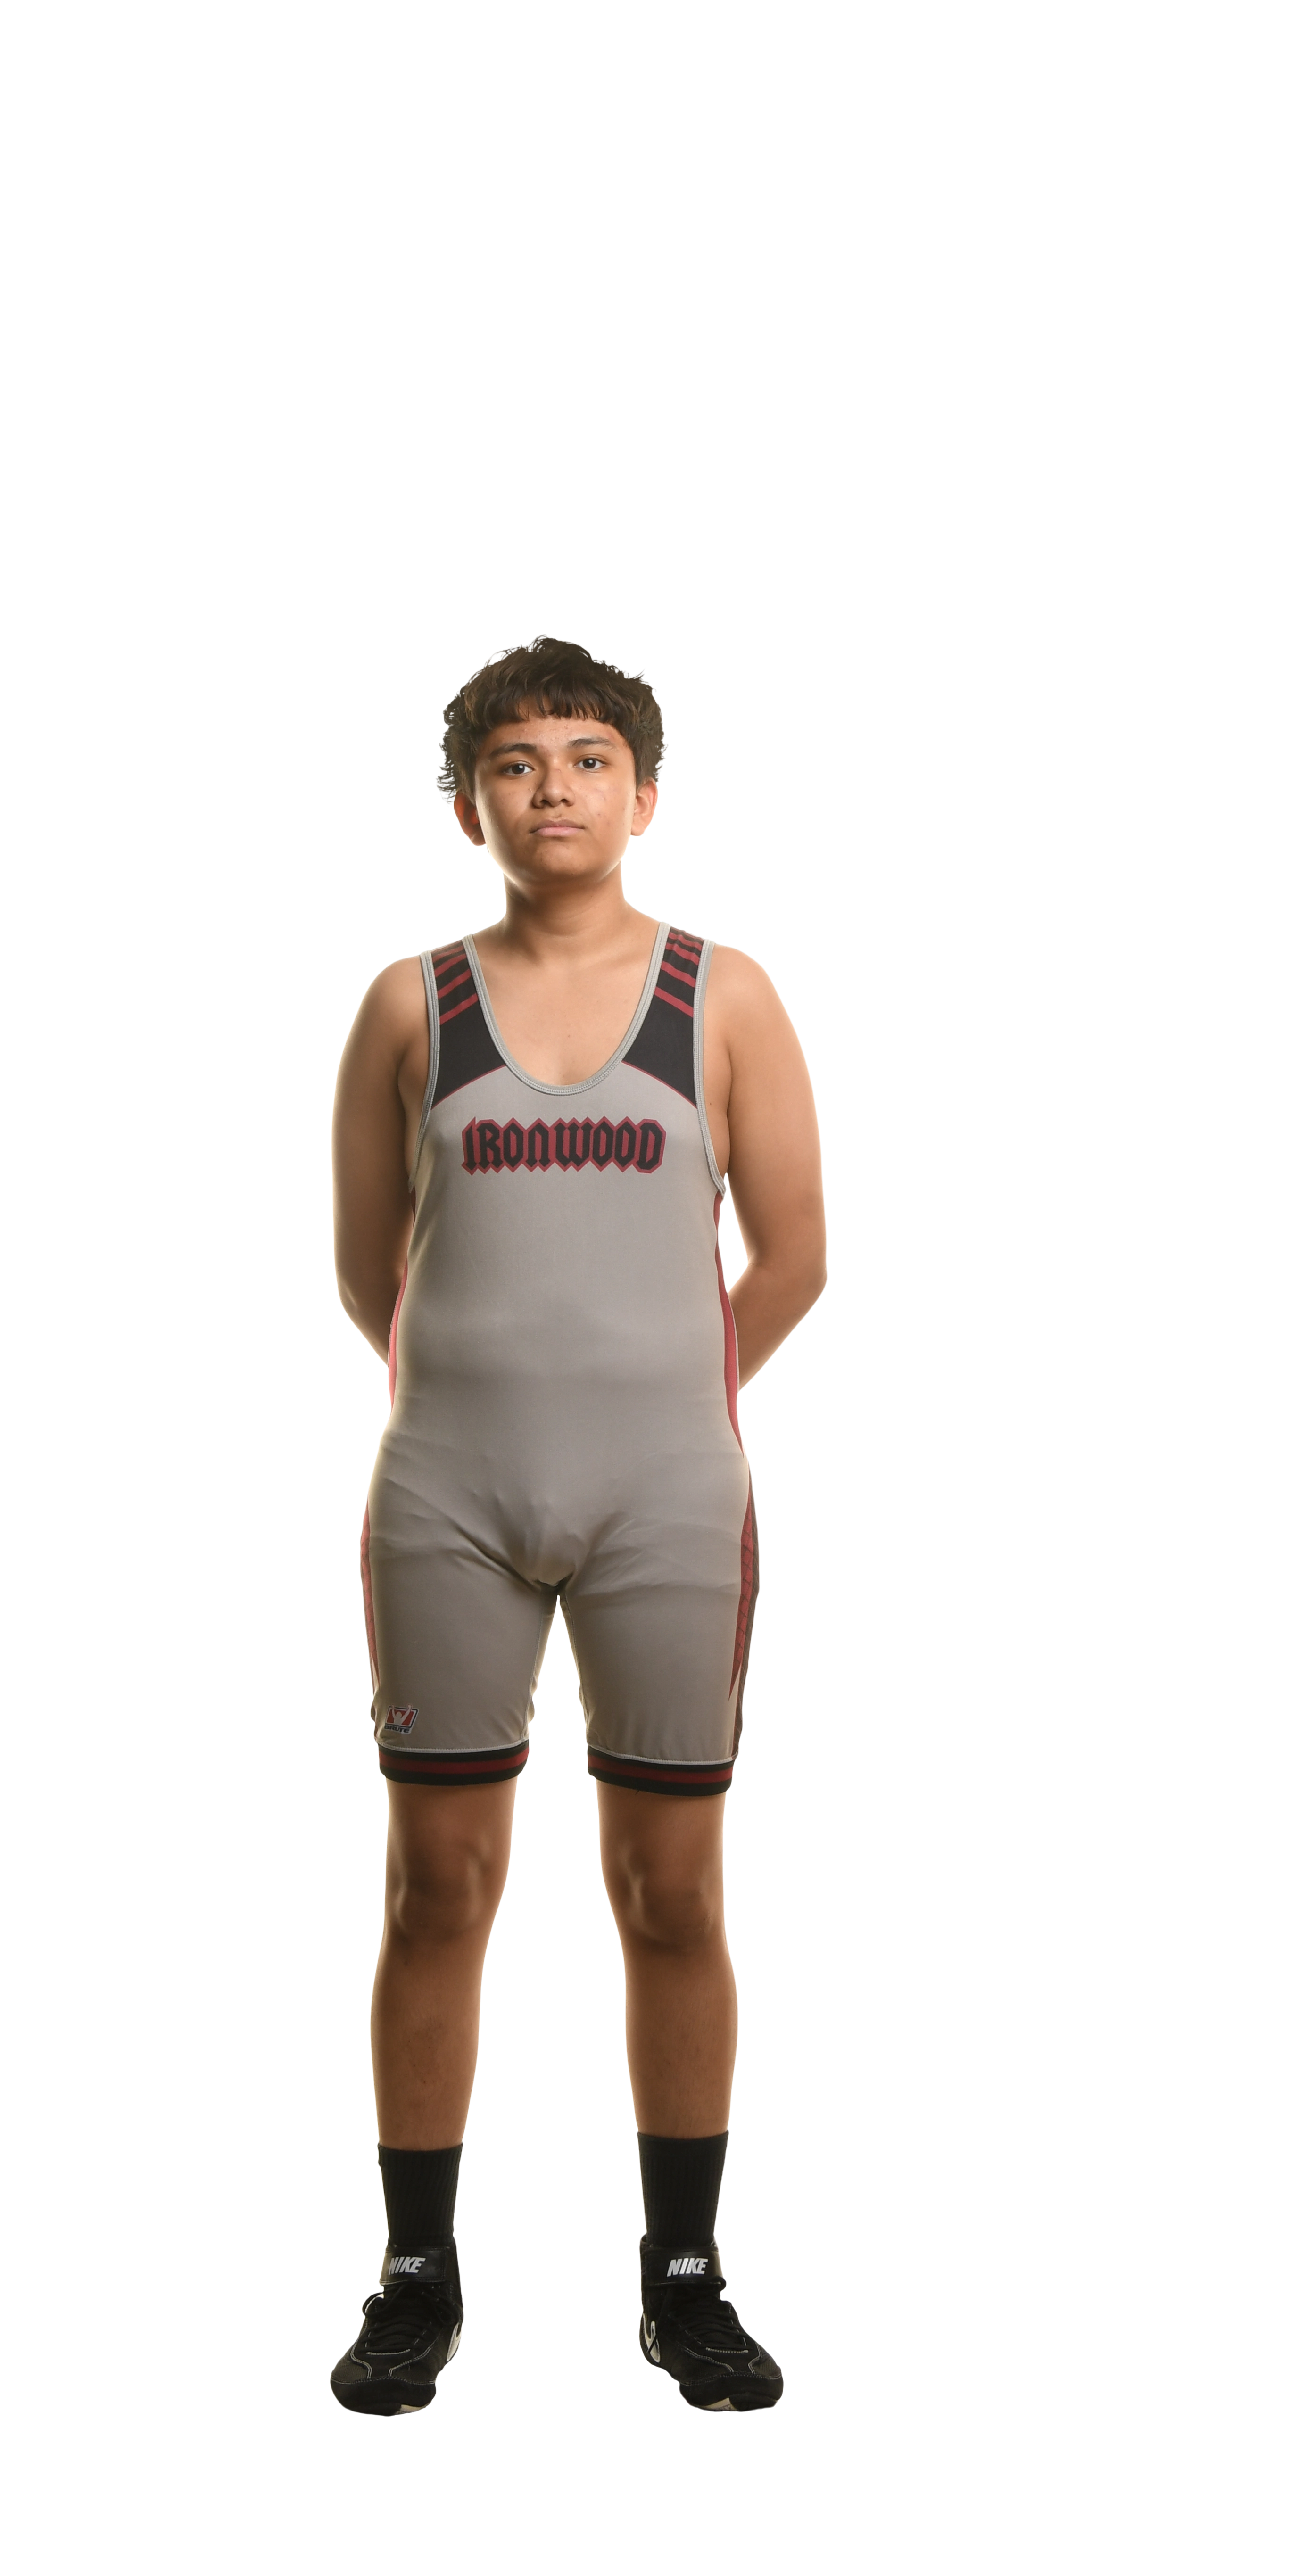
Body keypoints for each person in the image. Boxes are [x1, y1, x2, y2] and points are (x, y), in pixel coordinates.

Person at [327, 634, 826, 2416]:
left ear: (648, 795)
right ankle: (416, 2278)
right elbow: (370, 1274)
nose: (555, 788)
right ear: (467, 802)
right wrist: (493, 1400)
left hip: (668, 1501)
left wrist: (664, 1402)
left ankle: (684, 2279)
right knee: (435, 1885)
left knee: (671, 1889)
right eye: (518, 762)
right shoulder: (410, 1006)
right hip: (447, 1494)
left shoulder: (724, 996)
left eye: (590, 758)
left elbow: (797, 1257)